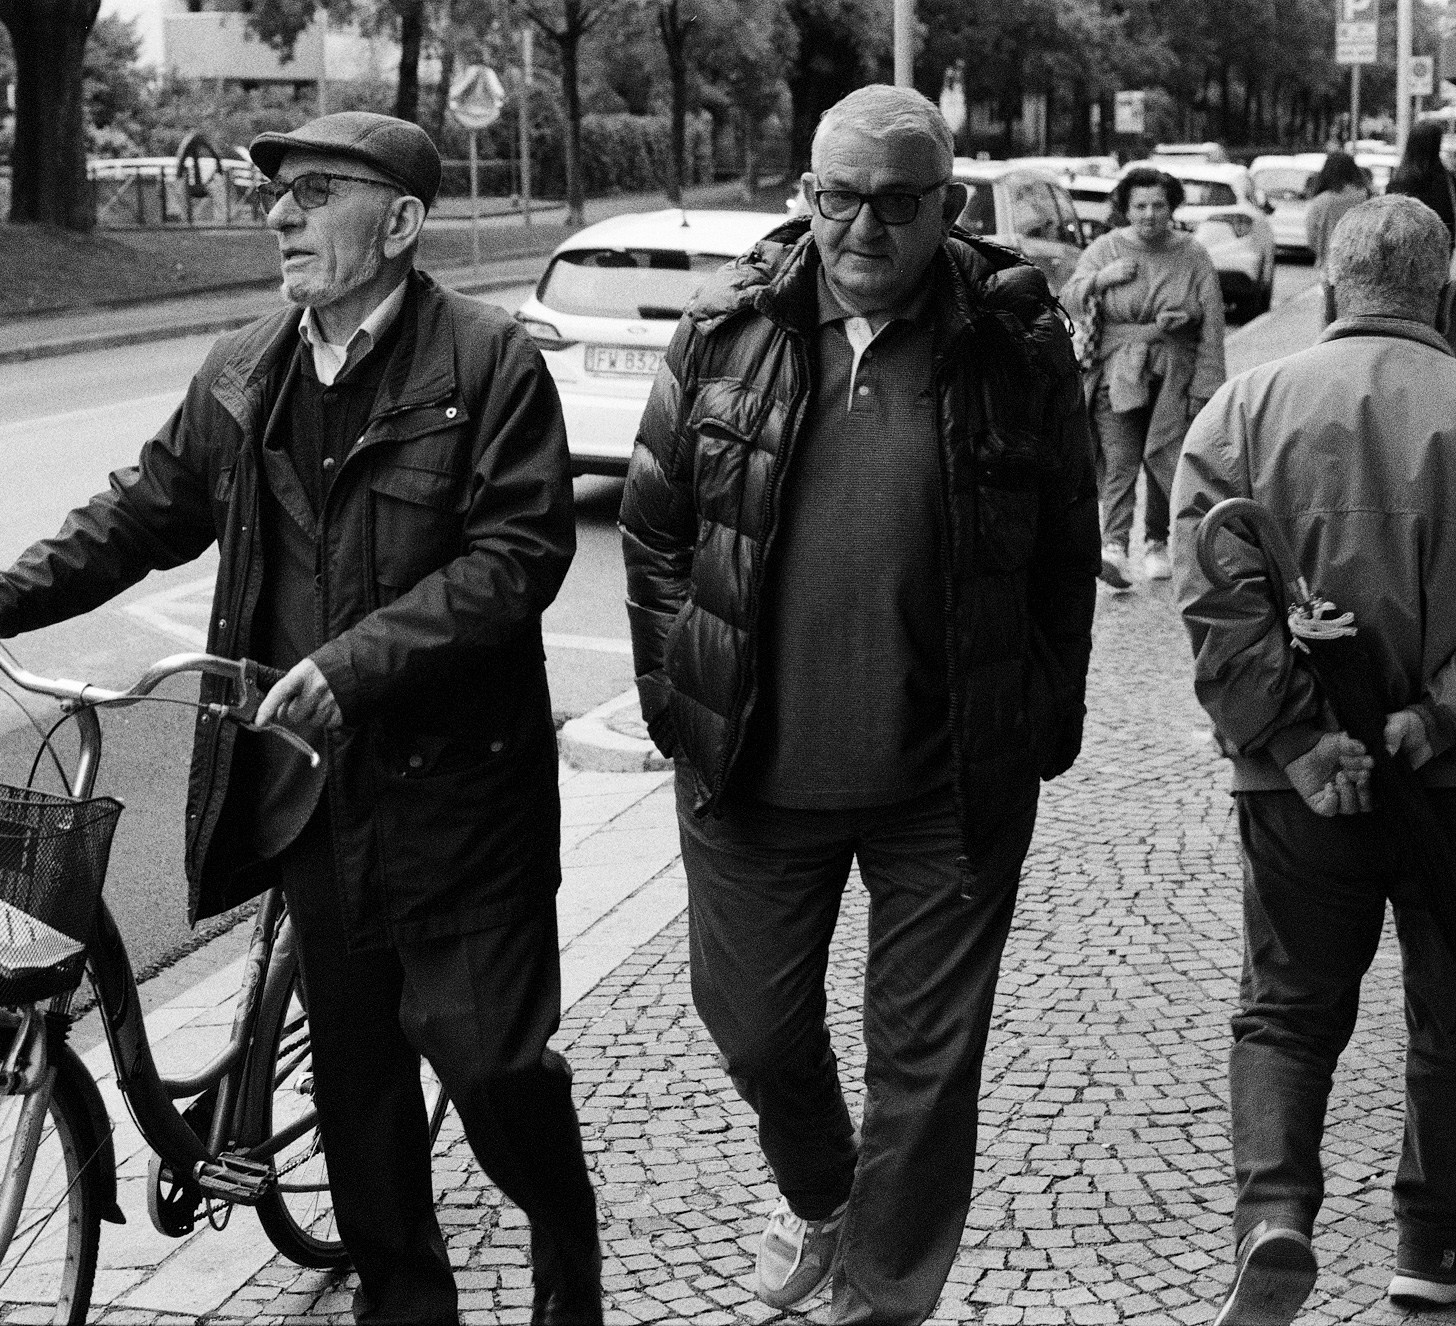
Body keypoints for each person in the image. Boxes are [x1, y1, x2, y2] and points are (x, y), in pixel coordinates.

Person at [0, 112, 602, 1325]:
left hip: (459, 794)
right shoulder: (246, 369)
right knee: (361, 1099)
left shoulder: (491, 363)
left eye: (315, 193)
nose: (279, 217)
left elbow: (515, 557)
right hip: (310, 792)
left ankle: (566, 1244)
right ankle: (402, 1307)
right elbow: (141, 513)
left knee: (491, 1068)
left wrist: (358, 663)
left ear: (397, 223)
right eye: (275, 195)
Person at [621, 85, 1098, 1325]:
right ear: (807, 198)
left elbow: (1060, 547)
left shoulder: (1012, 345)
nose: (865, 230)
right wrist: (678, 692)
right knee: (751, 1027)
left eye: (898, 203)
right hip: (750, 766)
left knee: (925, 1071)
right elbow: (653, 525)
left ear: (946, 205)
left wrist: (1043, 716)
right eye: (840, 198)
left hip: (945, 781)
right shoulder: (725, 331)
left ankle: (882, 1297)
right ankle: (823, 1193)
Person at [1173, 193, 1456, 1325]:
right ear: (1440, 291)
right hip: (1448, 779)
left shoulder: (1237, 411)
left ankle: (1273, 1217)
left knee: (1285, 1008)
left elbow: (1211, 602)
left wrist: (1294, 741)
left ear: (1331, 291)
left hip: (1297, 788)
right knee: (1448, 1013)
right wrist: (1434, 715)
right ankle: (1430, 1249)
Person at [1063, 166, 1226, 591]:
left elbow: (1212, 323)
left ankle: (1157, 542)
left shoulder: (1193, 254)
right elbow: (1068, 297)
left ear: (1172, 207)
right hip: (1117, 372)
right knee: (1119, 458)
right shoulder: (1105, 249)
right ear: (1125, 208)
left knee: (1163, 456)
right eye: (1139, 206)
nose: (1149, 214)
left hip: (1176, 372)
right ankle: (1114, 546)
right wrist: (1102, 278)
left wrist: (1206, 385)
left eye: (1158, 205)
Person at [1304, 151, 1370, 324]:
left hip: (1331, 270)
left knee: (1329, 320)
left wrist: (1322, 249)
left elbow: (1311, 237)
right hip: (1364, 269)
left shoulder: (1321, 202)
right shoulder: (1366, 196)